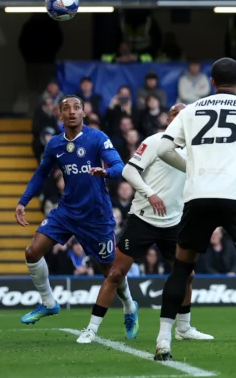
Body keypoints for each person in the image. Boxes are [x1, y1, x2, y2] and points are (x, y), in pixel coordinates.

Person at [153, 58, 236, 360]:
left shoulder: (189, 110)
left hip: (198, 196)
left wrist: (191, 167)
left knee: (182, 267)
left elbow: (163, 149)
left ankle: (164, 339)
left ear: (211, 82)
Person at [76, 104, 212, 344]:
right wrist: (150, 193)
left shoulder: (195, 150)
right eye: (174, 115)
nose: (178, 120)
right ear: (168, 120)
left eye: (183, 116)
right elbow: (129, 171)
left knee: (187, 274)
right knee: (116, 273)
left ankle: (184, 327)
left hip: (174, 223)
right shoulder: (156, 141)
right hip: (143, 219)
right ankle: (91, 328)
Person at [15, 96, 136, 330]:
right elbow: (42, 174)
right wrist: (24, 201)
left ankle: (130, 305)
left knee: (110, 272)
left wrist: (106, 171)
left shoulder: (97, 138)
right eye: (66, 108)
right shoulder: (55, 144)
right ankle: (48, 302)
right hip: (68, 211)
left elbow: (120, 166)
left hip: (97, 215)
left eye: (77, 108)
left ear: (84, 114)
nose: (71, 112)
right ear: (59, 115)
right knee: (32, 252)